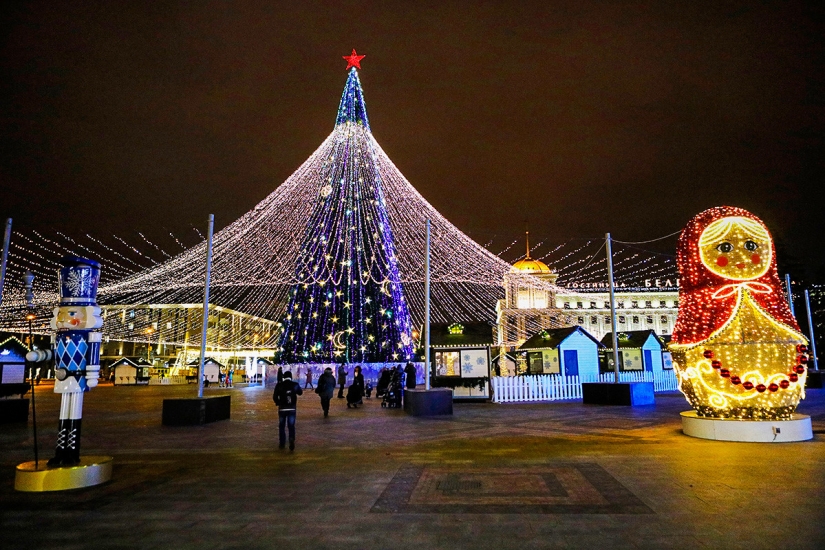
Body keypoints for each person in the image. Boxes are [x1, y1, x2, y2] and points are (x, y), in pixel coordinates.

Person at [273, 370, 303, 451]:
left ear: (284, 377)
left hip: (282, 408)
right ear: (291, 377)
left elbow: (275, 396)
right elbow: (300, 392)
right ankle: (291, 439)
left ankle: (282, 442)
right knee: (291, 425)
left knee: (282, 426)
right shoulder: (295, 384)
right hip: (292, 408)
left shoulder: (279, 385)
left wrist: (278, 402)